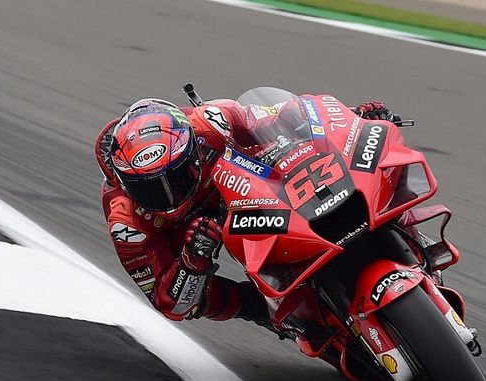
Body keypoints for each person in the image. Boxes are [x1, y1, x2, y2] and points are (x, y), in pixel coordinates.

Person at [95, 96, 396, 325]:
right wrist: (192, 258)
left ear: (193, 150)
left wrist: (350, 119)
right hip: (187, 234)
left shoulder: (212, 121)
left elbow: (286, 114)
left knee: (358, 168)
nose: (168, 195)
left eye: (175, 177)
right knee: (202, 299)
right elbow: (167, 303)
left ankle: (399, 228)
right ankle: (264, 309)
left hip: (248, 186)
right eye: (149, 189)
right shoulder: (127, 221)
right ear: (125, 184)